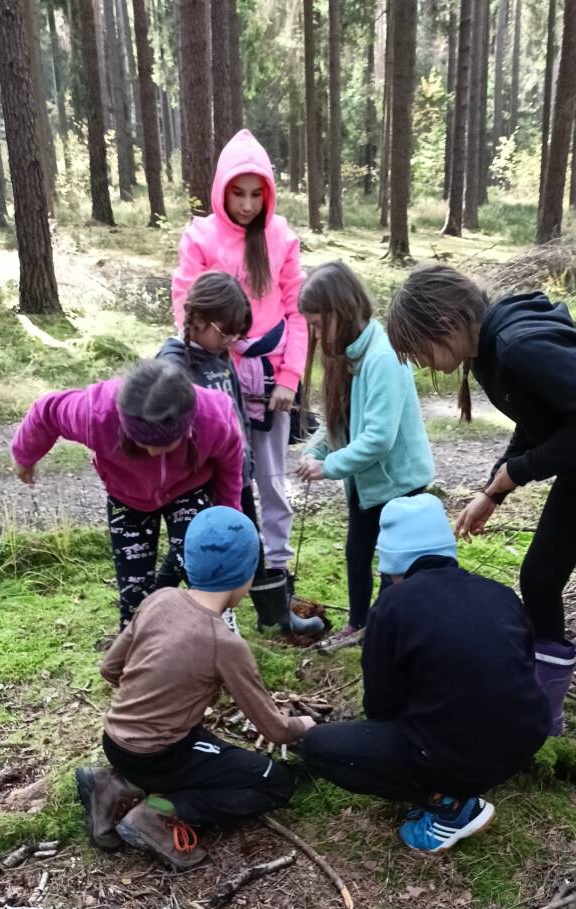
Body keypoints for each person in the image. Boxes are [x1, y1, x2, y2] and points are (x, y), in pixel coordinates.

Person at [386, 267, 576, 779]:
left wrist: (515, 475)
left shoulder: (521, 345)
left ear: (445, 323)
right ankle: (544, 714)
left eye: (419, 351)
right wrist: (492, 491)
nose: (422, 365)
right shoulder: (488, 354)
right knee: (540, 577)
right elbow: (538, 419)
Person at [301, 495, 549, 854]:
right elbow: (521, 666)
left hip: (457, 755)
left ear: (392, 563)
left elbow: (381, 704)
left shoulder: (392, 605)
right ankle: (470, 773)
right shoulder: (499, 593)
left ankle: (450, 806)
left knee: (319, 747)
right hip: (525, 738)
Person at [75, 508, 315, 871]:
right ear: (247, 574)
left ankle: (114, 783)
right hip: (162, 756)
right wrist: (305, 726)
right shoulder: (225, 644)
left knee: (202, 746)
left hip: (115, 742)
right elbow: (275, 730)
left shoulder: (161, 598)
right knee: (275, 781)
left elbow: (110, 669)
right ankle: (157, 813)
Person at [171, 129, 315, 634]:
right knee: (221, 480)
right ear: (222, 190)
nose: (249, 205)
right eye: (239, 193)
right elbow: (185, 307)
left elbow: (298, 312)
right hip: (215, 377)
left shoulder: (282, 238)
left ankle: (276, 589)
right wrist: (196, 372)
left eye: (257, 194)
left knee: (272, 482)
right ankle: (218, 586)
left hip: (271, 381)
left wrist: (290, 378)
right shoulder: (200, 238)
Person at [12, 360, 243, 630]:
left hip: (189, 489)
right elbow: (46, 412)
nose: (153, 453)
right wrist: (24, 456)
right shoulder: (95, 414)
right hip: (127, 498)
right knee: (134, 593)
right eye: (142, 444)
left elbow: (230, 471)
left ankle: (220, 631)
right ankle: (137, 646)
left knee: (204, 566)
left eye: (165, 445)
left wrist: (229, 521)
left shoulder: (214, 417)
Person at [157, 270, 322, 637]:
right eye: (225, 333)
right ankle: (157, 610)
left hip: (235, 474)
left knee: (250, 539)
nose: (231, 341)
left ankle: (274, 616)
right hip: (198, 481)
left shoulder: (219, 354)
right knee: (187, 548)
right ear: (198, 318)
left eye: (236, 335)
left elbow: (235, 411)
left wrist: (245, 454)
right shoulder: (173, 364)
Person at [296, 261, 434, 647]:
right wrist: (316, 449)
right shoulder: (347, 354)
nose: (316, 334)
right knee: (357, 554)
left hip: (399, 483)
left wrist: (328, 466)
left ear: (340, 311)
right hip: (366, 484)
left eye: (319, 325)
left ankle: (386, 631)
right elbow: (339, 418)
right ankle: (358, 624)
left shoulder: (382, 357)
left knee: (396, 563)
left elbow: (378, 439)